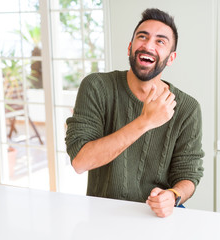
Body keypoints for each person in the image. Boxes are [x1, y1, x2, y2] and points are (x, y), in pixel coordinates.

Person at [65, 8, 204, 218]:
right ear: (130, 47)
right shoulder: (97, 87)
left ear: (171, 58)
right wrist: (146, 121)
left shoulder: (187, 108)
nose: (148, 45)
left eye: (160, 41)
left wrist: (173, 196)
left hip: (154, 216)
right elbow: (80, 161)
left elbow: (188, 175)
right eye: (142, 36)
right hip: (103, 215)